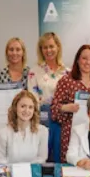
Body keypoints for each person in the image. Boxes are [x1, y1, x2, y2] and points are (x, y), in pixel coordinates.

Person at [51, 45, 90, 162]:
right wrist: (66, 107)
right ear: (77, 60)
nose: (88, 62)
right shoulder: (66, 81)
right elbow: (53, 109)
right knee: (72, 167)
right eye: (84, 58)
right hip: (71, 133)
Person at [27, 32, 69, 160]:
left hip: (62, 119)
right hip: (42, 117)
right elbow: (31, 97)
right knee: (42, 154)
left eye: (51, 46)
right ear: (41, 50)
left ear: (58, 47)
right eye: (45, 47)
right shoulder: (34, 71)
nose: (48, 50)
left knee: (60, 153)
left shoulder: (67, 72)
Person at [0, 91, 49, 164]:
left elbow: (42, 158)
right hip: (11, 173)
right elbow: (1, 160)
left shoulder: (43, 131)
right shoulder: (3, 133)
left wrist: (25, 170)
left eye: (30, 107)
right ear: (15, 108)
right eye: (23, 106)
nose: (27, 110)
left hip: (33, 173)